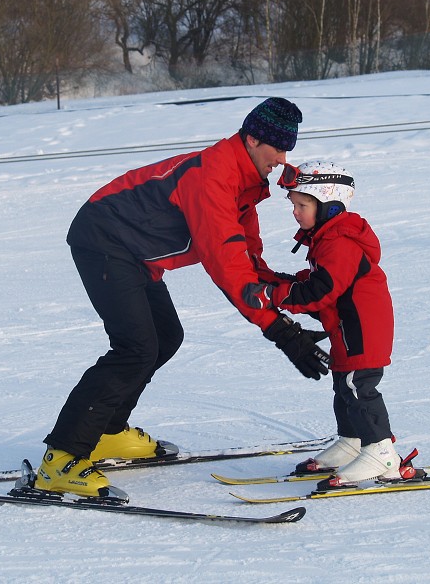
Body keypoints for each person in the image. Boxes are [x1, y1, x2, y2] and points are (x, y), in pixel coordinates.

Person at [34, 98, 330, 497]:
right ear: (253, 138)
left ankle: (106, 432)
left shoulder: (244, 185)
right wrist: (279, 332)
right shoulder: (213, 178)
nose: (282, 158)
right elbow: (226, 267)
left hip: (134, 253)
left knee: (165, 337)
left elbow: (248, 261)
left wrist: (291, 308)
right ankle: (62, 458)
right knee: (134, 348)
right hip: (104, 239)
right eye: (277, 148)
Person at [263, 160, 401, 489]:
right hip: (346, 329)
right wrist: (281, 281)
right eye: (294, 205)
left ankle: (382, 452)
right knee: (344, 386)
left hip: (361, 329)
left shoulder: (340, 243)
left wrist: (276, 293)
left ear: (330, 205)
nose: (296, 212)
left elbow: (320, 291)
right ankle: (353, 441)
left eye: (303, 205)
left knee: (359, 387)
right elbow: (318, 280)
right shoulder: (328, 240)